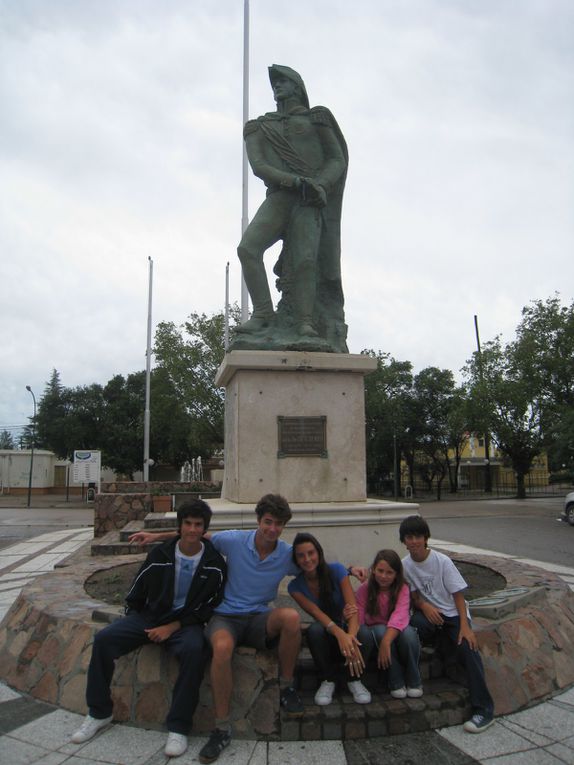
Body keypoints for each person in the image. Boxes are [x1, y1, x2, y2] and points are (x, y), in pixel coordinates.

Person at [130, 494, 366, 763]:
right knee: (221, 647)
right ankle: (221, 727)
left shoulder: (287, 554)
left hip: (258, 617)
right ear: (258, 520)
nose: (272, 529)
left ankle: (287, 687)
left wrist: (349, 569)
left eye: (278, 524)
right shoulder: (234, 540)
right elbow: (195, 536)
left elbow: (314, 564)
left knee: (290, 617)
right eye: (268, 522)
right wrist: (154, 536)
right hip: (225, 616)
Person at [71, 500, 226, 759]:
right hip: (150, 617)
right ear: (180, 526)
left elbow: (210, 606)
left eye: (198, 525)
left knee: (194, 651)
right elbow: (136, 593)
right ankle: (99, 712)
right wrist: (138, 621)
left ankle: (178, 727)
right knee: (105, 640)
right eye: (187, 524)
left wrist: (173, 626)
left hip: (186, 623)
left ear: (204, 529)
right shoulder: (160, 555)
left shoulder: (214, 563)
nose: (192, 530)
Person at [235, 64, 349, 352]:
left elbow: (337, 159)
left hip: (309, 199)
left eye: (283, 81)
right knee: (248, 248)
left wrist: (319, 184)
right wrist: (294, 180)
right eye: (275, 83)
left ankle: (305, 323)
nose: (277, 86)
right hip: (281, 196)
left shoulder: (317, 118)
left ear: (298, 86)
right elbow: (259, 166)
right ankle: (263, 314)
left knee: (306, 260)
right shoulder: (259, 126)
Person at [399, 515, 495, 733]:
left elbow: (458, 596)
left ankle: (484, 709)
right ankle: (442, 647)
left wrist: (465, 626)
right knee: (412, 626)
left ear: (426, 538)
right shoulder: (405, 565)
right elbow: (414, 597)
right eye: (409, 537)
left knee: (467, 648)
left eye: (418, 536)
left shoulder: (442, 561)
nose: (414, 541)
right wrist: (424, 607)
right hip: (429, 617)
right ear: (403, 540)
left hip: (453, 615)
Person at [288, 532, 371, 706]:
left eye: (311, 553)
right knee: (315, 630)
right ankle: (328, 680)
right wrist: (341, 635)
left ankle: (354, 679)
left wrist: (351, 637)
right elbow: (317, 614)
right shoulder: (295, 587)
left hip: (347, 628)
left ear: (319, 553)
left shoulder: (337, 571)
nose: (307, 559)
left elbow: (353, 609)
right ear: (296, 560)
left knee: (364, 632)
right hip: (328, 631)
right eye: (301, 555)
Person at [354, 549, 422, 698]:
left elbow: (400, 615)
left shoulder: (402, 588)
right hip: (377, 632)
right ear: (373, 570)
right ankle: (396, 682)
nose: (383, 576)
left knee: (409, 635)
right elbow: (358, 616)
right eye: (380, 571)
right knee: (380, 631)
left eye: (389, 572)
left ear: (397, 574)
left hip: (398, 629)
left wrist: (386, 641)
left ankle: (414, 680)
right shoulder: (365, 588)